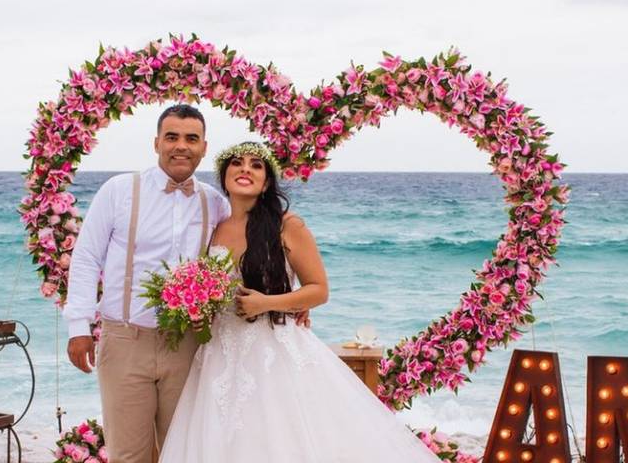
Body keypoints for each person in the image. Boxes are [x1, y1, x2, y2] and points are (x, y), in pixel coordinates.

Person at [158, 141, 439, 462]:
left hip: (272, 350)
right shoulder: (216, 228)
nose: (245, 169)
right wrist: (199, 311)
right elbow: (214, 291)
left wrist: (268, 303)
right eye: (237, 163)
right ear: (224, 176)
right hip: (219, 356)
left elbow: (319, 290)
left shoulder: (287, 224)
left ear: (267, 181)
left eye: (256, 165)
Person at [63, 104, 231, 463]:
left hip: (187, 345)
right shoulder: (120, 190)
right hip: (125, 341)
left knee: (184, 452)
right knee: (128, 455)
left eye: (191, 138)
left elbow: (242, 256)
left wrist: (290, 300)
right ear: (156, 143)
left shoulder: (216, 203)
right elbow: (87, 257)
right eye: (172, 137)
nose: (181, 146)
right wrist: (78, 327)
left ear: (204, 147)